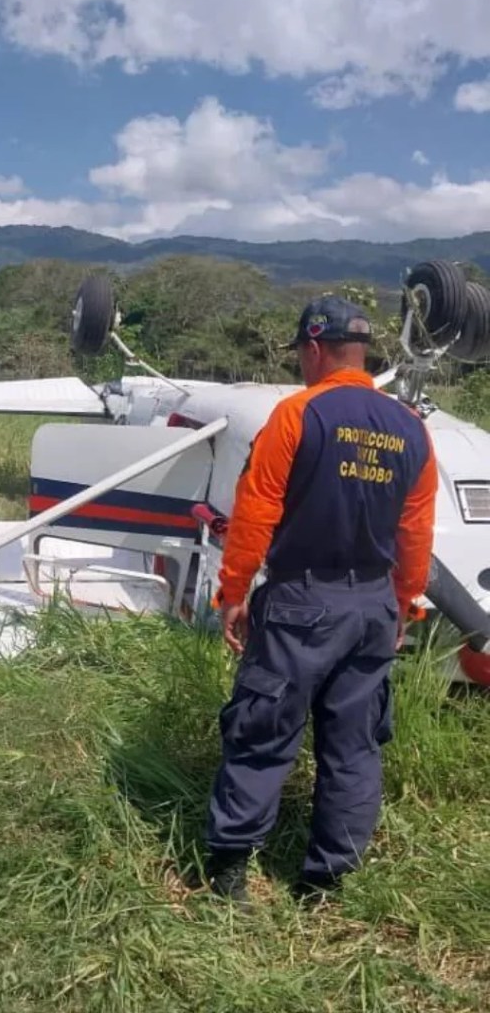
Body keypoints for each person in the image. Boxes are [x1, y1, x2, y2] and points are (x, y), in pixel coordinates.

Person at [202, 297, 438, 905]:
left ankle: (229, 870)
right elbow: (415, 534)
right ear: (362, 353)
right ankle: (326, 879)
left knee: (264, 730)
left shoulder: (297, 415)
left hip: (301, 603)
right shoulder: (412, 428)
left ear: (312, 348)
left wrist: (234, 592)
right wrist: (405, 604)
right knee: (354, 743)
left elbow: (255, 512)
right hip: (372, 607)